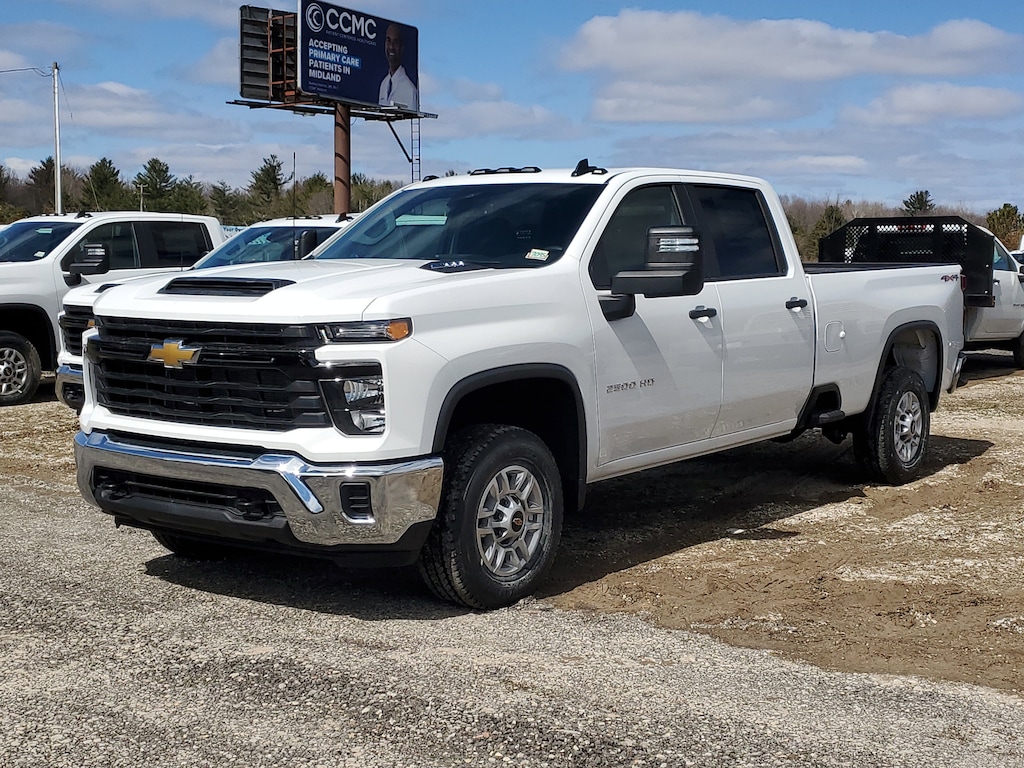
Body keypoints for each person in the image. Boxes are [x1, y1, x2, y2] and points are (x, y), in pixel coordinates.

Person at [378, 23, 419, 111]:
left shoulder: (409, 90)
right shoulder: (384, 84)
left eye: (395, 43)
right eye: (388, 41)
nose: (391, 47)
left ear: (402, 48)